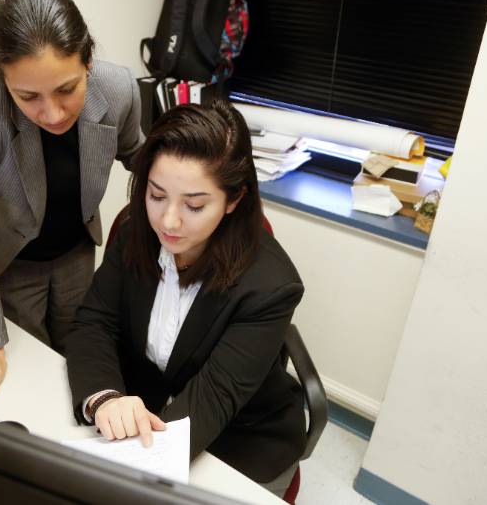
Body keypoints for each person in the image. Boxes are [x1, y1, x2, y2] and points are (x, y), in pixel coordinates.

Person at [65, 101, 307, 493]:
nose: (169, 221)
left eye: (194, 205)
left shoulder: (270, 286)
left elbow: (214, 396)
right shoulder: (134, 229)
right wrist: (105, 398)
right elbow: (95, 321)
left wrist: (140, 467)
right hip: (151, 407)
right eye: (156, 195)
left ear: (233, 200)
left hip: (239, 436)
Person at [0, 0, 143, 409]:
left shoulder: (118, 88)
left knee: (75, 355)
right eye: (28, 97)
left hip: (76, 250)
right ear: (1, 77)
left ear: (87, 61)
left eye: (67, 89)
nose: (53, 114)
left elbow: (140, 154)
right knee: (20, 370)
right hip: (11, 259)